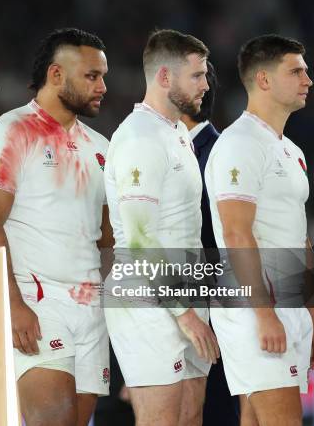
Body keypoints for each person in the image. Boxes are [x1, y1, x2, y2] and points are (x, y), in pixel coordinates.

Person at [0, 28, 113, 426]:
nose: (102, 86)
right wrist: (12, 304)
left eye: (103, 76)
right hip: (38, 303)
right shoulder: (13, 131)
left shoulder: (101, 148)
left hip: (91, 309)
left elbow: (108, 240)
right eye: (91, 76)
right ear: (56, 75)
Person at [205, 34, 314, 426]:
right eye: (296, 71)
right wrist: (264, 315)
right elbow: (236, 233)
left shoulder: (292, 152)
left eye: (306, 71)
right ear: (263, 80)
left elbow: (300, 237)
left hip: (287, 303)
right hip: (256, 305)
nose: (308, 79)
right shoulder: (239, 144)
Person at [103, 29, 219, 426]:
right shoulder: (139, 137)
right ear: (165, 78)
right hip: (148, 300)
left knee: (190, 417)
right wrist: (184, 313)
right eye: (197, 75)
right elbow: (137, 239)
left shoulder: (178, 134)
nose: (206, 84)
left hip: (184, 290)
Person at [180, 62, 240, 424]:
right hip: (184, 307)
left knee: (217, 411)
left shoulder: (218, 153)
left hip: (216, 308)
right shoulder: (178, 151)